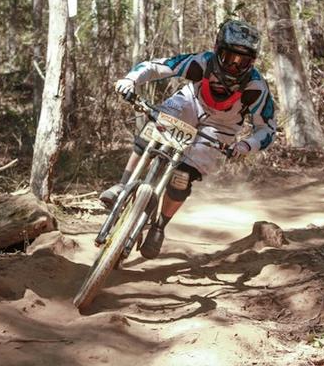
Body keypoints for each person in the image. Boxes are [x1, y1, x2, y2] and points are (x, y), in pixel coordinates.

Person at [100, 19, 277, 259]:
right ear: (217, 51)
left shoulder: (256, 87)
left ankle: (159, 226)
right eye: (228, 58)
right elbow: (160, 66)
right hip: (190, 103)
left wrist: (246, 145)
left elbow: (266, 129)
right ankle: (123, 185)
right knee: (158, 122)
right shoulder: (202, 62)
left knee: (182, 176)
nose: (234, 67)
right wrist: (131, 80)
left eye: (242, 62)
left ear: (252, 62)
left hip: (221, 128)